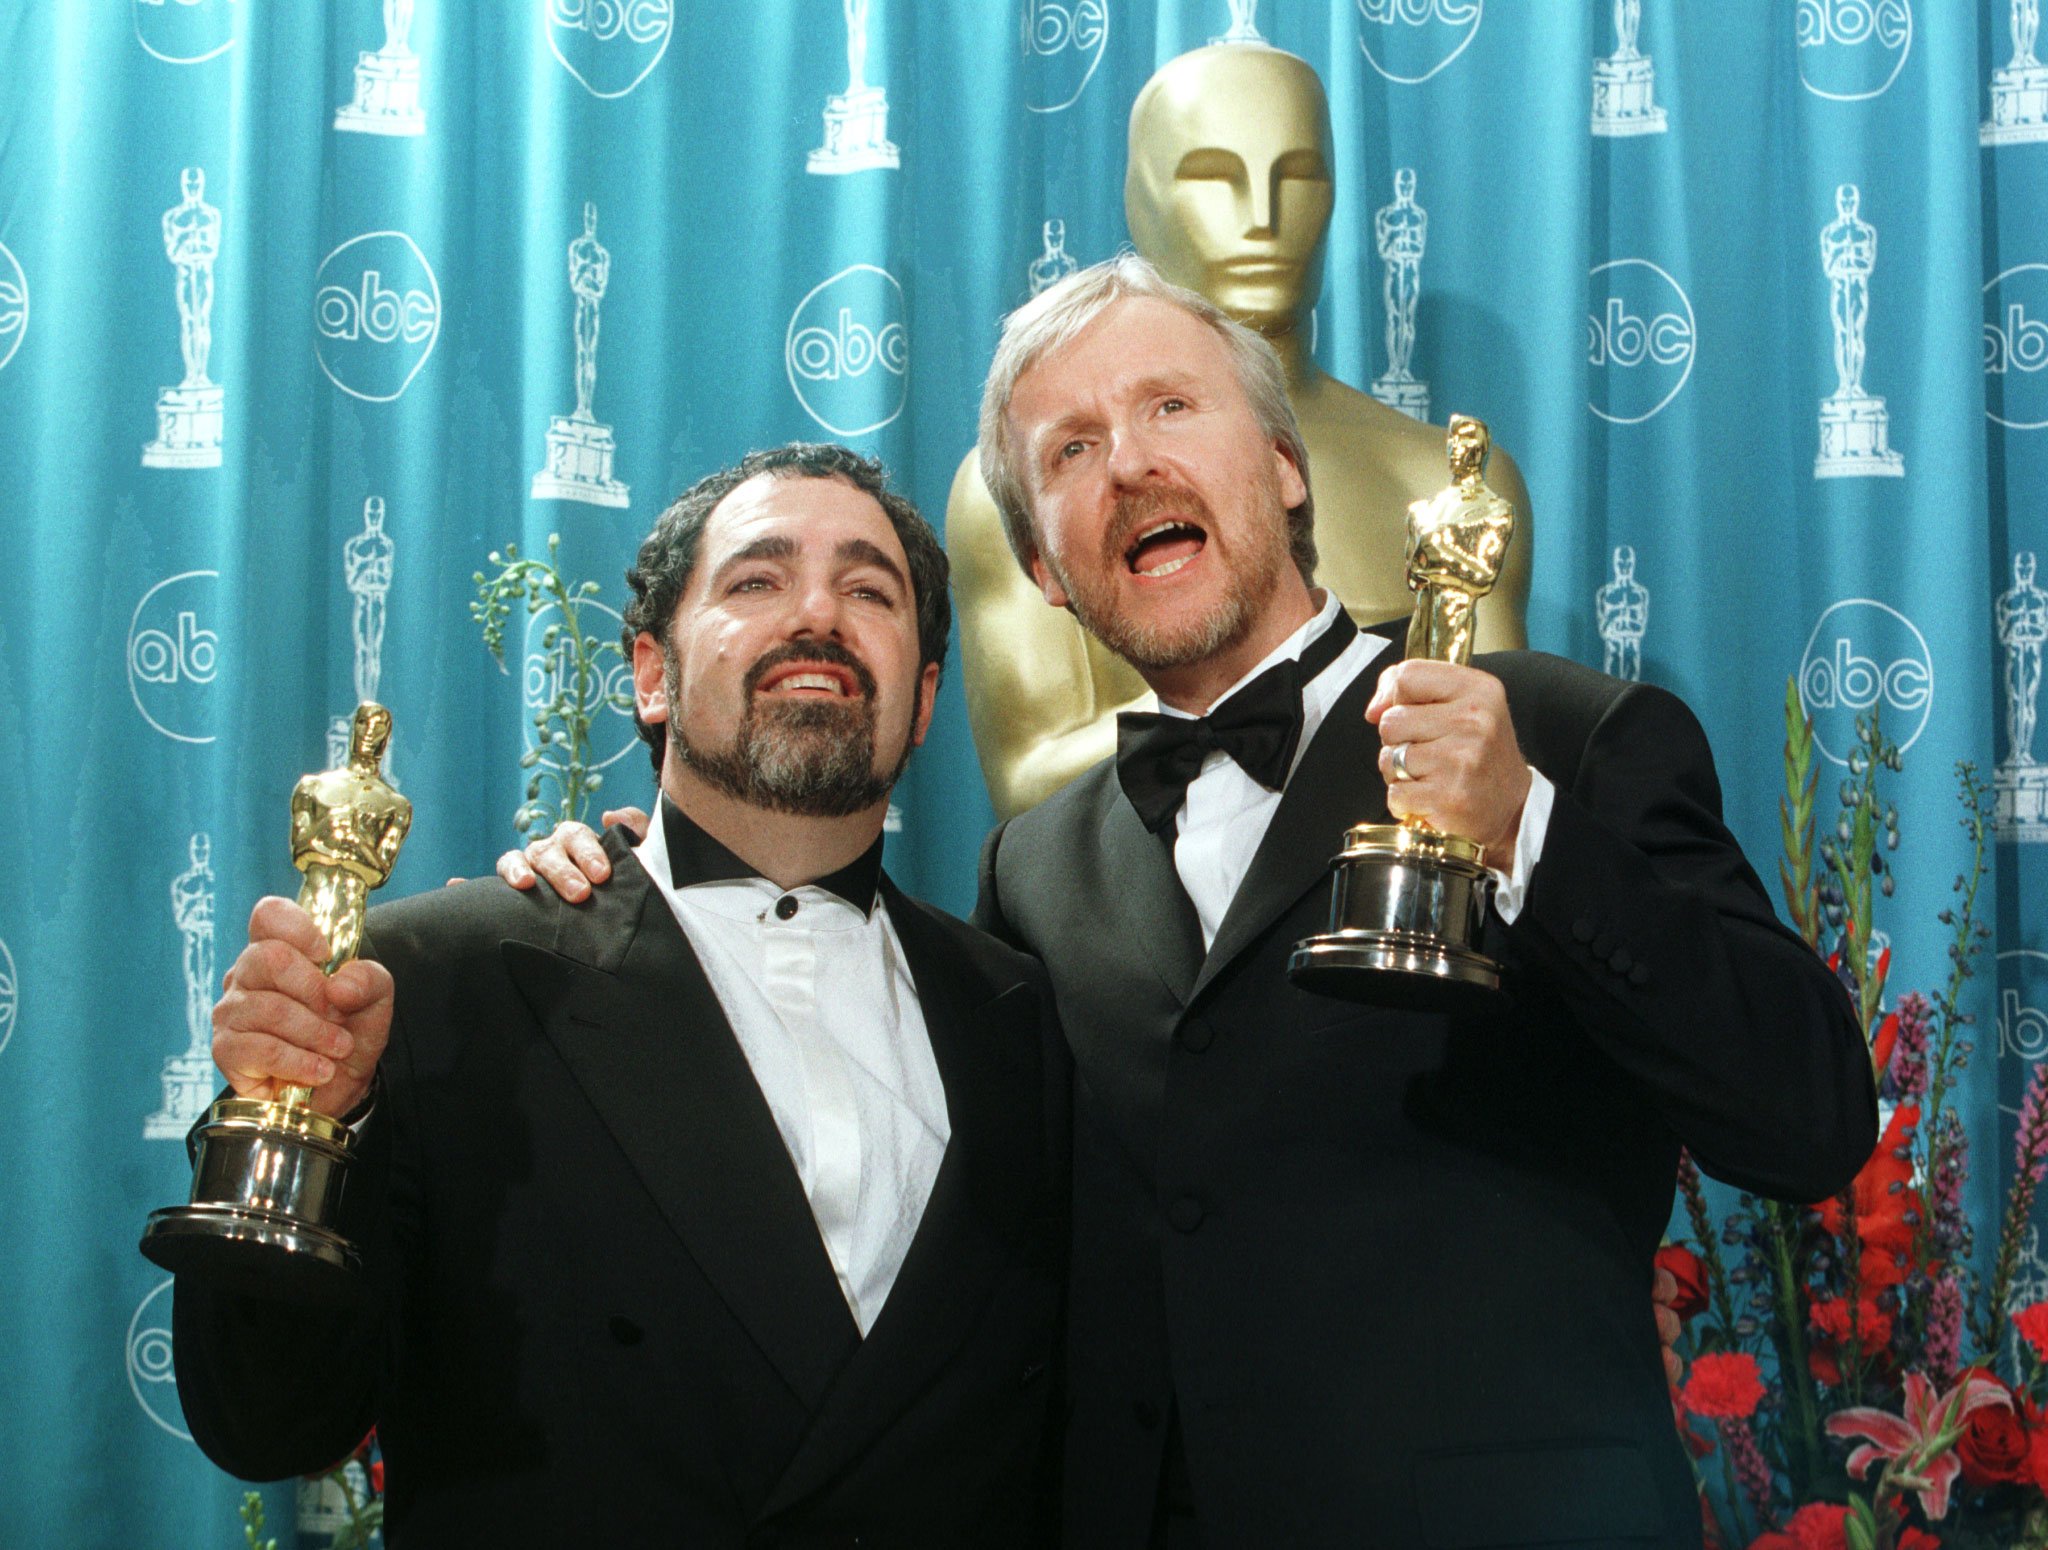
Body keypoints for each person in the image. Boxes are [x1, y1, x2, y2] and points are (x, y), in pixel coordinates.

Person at [510, 262, 1869, 1544]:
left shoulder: (1565, 730)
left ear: (1284, 468)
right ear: (1044, 568)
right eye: (1071, 451)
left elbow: (1808, 1112)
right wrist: (650, 901)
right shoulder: (1030, 867)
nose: (1131, 464)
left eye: (1169, 406)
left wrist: (1526, 829)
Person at [173, 444, 1069, 1546]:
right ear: (650, 671)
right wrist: (306, 1108)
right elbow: (266, 1418)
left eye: (870, 590)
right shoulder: (427, 983)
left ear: (924, 695)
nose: (818, 613)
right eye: (756, 579)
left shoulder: (1021, 1011)